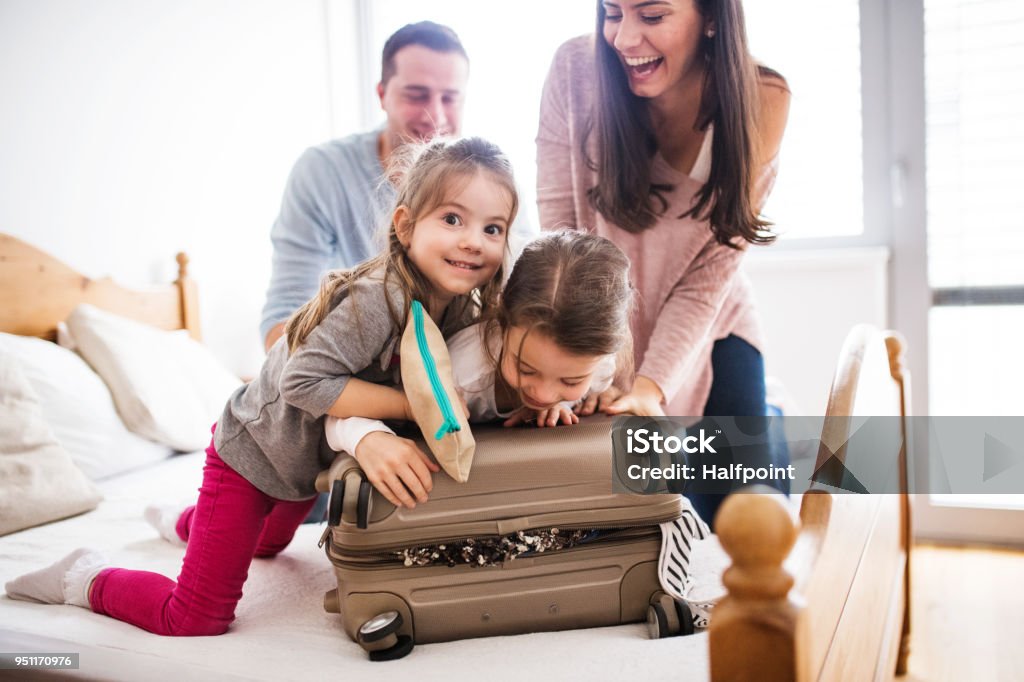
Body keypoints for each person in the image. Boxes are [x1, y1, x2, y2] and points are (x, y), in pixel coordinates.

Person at [3, 136, 519, 636]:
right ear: (405, 226)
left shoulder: (460, 311)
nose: (474, 240)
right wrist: (413, 406)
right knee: (195, 618)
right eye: (452, 219)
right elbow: (305, 382)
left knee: (268, 547)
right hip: (250, 456)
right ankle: (84, 577)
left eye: (493, 228)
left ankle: (185, 523)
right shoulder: (375, 300)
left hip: (304, 466)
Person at [326, 230, 713, 613]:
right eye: (526, 368)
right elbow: (334, 410)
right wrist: (367, 438)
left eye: (570, 381)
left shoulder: (598, 366)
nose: (544, 394)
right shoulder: (461, 372)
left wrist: (591, 399)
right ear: (500, 321)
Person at [536, 0, 791, 525]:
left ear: (713, 18)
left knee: (748, 521)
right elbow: (561, 234)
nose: (625, 39)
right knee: (642, 528)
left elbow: (708, 281)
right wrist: (593, 363)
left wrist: (651, 388)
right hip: (605, 328)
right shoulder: (575, 71)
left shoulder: (761, 99)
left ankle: (772, 422)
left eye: (652, 16)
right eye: (612, 12)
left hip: (711, 329)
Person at [261, 20, 533, 352]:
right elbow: (285, 315)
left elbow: (525, 291)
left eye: (449, 98)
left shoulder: (495, 184)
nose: (434, 115)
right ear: (382, 94)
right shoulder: (322, 172)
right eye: (416, 95)